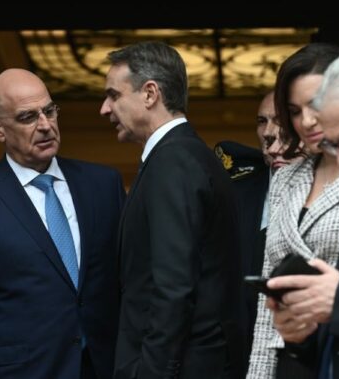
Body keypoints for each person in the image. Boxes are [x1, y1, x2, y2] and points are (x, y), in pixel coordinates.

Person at [0, 68, 125, 378]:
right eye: (28, 117)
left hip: (104, 367)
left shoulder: (103, 185)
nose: (45, 125)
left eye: (49, 111)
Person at [100, 41, 241, 378]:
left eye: (114, 95)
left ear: (150, 94)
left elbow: (174, 286)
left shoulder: (172, 161)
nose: (105, 109)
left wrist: (150, 372)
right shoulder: (188, 154)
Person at [246, 43, 339, 379]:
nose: (307, 121)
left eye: (316, 104)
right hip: (288, 355)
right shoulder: (286, 178)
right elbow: (267, 301)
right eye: (294, 111)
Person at [213, 90, 298, 376]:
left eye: (280, 120)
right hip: (238, 349)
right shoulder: (236, 189)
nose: (269, 132)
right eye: (262, 121)